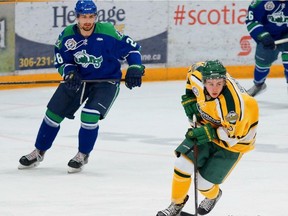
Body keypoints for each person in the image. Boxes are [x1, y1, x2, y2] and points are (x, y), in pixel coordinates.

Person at [18, 0, 144, 173]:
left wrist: (135, 68)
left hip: (105, 82)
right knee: (53, 114)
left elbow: (132, 50)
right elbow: (62, 60)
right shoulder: (67, 35)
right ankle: (39, 151)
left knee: (89, 115)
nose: (87, 21)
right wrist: (69, 72)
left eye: (91, 17)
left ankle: (82, 154)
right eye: (83, 17)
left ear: (95, 17)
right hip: (79, 79)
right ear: (77, 17)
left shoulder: (108, 32)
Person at [156, 60, 259, 216]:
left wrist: (207, 133)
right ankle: (176, 205)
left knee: (203, 184)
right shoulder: (197, 74)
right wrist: (190, 98)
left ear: (225, 81)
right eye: (210, 84)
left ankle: (214, 195)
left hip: (236, 141)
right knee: (182, 164)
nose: (215, 88)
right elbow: (190, 78)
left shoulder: (233, 106)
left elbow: (232, 137)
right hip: (209, 124)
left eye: (219, 84)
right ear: (204, 81)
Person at [246, 0, 288, 96]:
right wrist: (263, 35)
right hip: (268, 36)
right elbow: (252, 20)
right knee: (262, 65)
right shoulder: (261, 2)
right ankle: (259, 84)